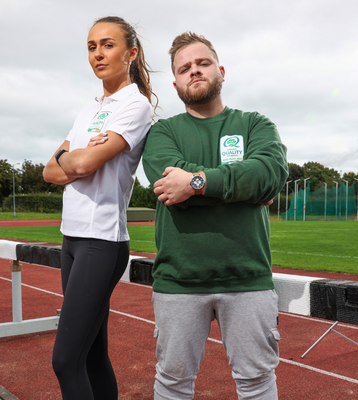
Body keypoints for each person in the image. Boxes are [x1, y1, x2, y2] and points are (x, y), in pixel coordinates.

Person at [142, 32, 288, 400]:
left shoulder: (256, 124)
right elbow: (166, 184)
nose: (194, 71)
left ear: (220, 70)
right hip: (178, 280)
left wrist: (193, 183)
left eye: (202, 63)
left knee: (257, 382)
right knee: (173, 383)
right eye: (184, 68)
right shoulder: (162, 132)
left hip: (248, 278)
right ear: (175, 83)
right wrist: (240, 189)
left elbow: (268, 174)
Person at [43, 16, 155, 400]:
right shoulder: (87, 110)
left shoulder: (135, 106)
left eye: (107, 45)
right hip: (71, 239)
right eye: (92, 47)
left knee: (64, 361)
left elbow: (83, 165)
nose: (98, 54)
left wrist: (71, 156)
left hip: (100, 239)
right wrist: (70, 155)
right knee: (91, 356)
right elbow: (50, 171)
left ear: (131, 53)